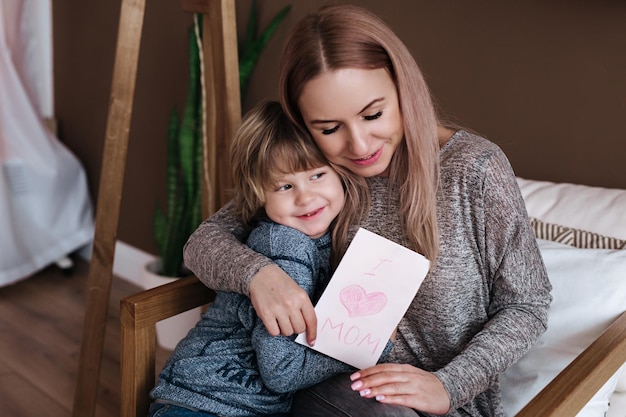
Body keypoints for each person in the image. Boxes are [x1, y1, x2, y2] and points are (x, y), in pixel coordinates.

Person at [183, 5, 552, 417]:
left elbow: (527, 305)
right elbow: (203, 242)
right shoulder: (319, 177)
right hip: (326, 390)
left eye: (373, 114)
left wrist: (449, 385)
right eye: (328, 128)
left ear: (403, 86)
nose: (359, 146)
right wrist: (259, 275)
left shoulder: (475, 171)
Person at [148, 100, 397, 417]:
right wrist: (370, 346)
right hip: (203, 402)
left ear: (341, 174)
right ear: (258, 195)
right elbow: (283, 372)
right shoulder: (286, 245)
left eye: (318, 175)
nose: (305, 197)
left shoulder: (318, 235)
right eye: (284, 185)